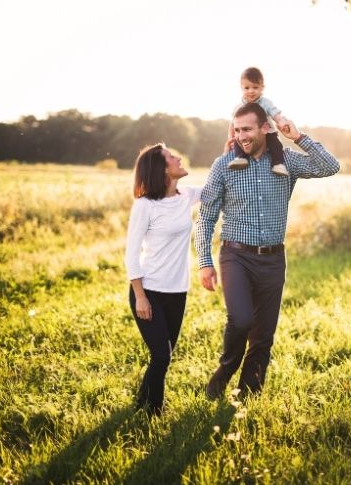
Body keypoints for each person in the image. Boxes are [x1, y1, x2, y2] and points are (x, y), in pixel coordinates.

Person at [195, 102, 340, 400]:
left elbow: (330, 166)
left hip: (274, 259)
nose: (241, 136)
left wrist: (298, 136)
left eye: (247, 129)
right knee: (241, 320)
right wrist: (204, 262)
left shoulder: (285, 161)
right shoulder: (224, 165)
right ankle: (225, 371)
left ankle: (248, 396)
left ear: (265, 128)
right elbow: (206, 217)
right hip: (236, 255)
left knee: (263, 335)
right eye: (236, 130)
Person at [124, 143, 203, 415]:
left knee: (163, 358)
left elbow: (220, 185)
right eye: (171, 156)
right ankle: (153, 413)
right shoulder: (145, 205)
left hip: (177, 291)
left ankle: (141, 402)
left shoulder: (187, 196)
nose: (179, 157)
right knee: (161, 355)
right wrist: (141, 297)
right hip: (149, 291)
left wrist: (233, 151)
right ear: (161, 168)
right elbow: (131, 255)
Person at [227, 67, 290, 177]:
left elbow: (275, 114)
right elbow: (233, 124)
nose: (251, 91)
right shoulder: (239, 107)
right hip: (246, 135)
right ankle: (240, 158)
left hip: (268, 132)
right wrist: (230, 136)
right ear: (241, 88)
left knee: (276, 145)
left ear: (262, 88)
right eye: (247, 88)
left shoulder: (266, 103)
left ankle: (278, 164)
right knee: (239, 141)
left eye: (255, 87)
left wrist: (282, 122)